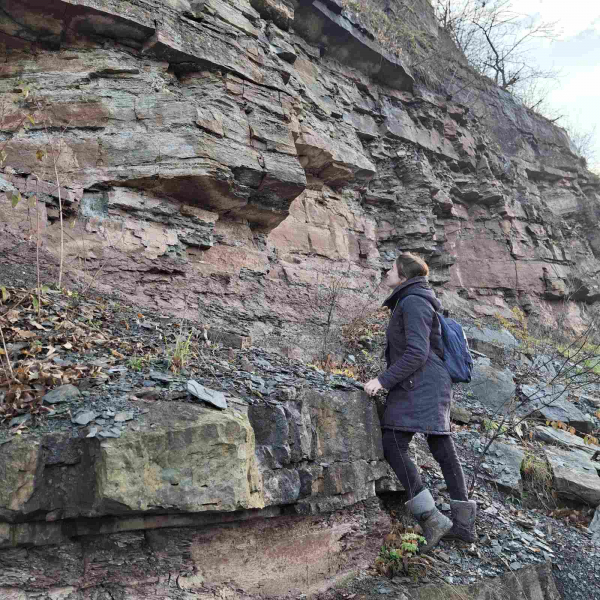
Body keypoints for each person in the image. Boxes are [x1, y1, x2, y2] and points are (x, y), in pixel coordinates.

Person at [364, 253, 476, 550]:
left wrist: (383, 381)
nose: (386, 271)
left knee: (393, 443)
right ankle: (463, 526)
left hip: (420, 383)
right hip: (430, 382)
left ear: (402, 274)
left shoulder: (413, 301)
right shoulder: (414, 298)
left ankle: (433, 519)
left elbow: (416, 352)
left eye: (390, 268)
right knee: (442, 447)